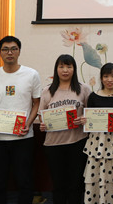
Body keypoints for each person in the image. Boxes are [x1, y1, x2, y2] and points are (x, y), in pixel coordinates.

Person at [0, 36, 42, 204]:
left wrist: (28, 124)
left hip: (23, 137)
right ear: (0, 52)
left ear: (19, 51)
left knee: (24, 179)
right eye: (5, 49)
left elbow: (37, 103)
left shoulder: (31, 74)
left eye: (13, 49)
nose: (9, 52)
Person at [39, 54, 91, 204]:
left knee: (76, 184)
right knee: (58, 184)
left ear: (74, 69)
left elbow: (90, 114)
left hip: (77, 142)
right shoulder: (47, 90)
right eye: (61, 66)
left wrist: (84, 119)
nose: (65, 70)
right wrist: (43, 124)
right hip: (54, 145)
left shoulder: (83, 89)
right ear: (56, 69)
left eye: (69, 66)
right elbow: (42, 116)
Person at [83, 62, 113, 203]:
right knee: (97, 174)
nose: (110, 80)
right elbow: (90, 119)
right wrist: (86, 121)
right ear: (101, 78)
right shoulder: (93, 96)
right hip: (98, 142)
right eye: (106, 76)